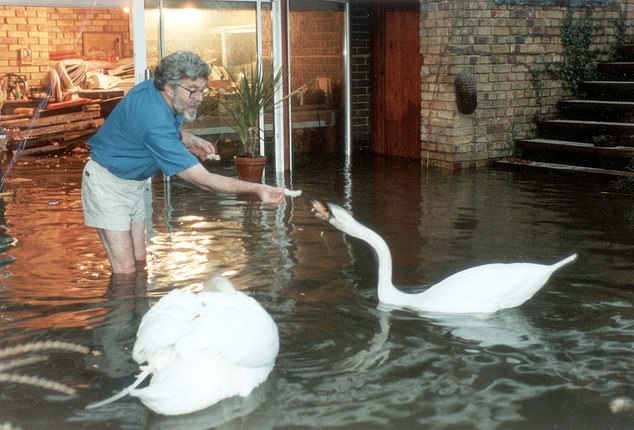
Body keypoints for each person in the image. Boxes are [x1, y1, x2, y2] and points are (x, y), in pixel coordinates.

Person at [81, 51, 286, 275]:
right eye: (192, 91)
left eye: (202, 90)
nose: (199, 98)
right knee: (125, 271)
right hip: (107, 186)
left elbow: (158, 128)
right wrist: (256, 188)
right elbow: (203, 180)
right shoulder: (154, 120)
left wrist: (190, 139)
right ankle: (120, 310)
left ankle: (141, 309)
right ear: (169, 88)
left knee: (140, 262)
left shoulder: (155, 91)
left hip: (132, 185)